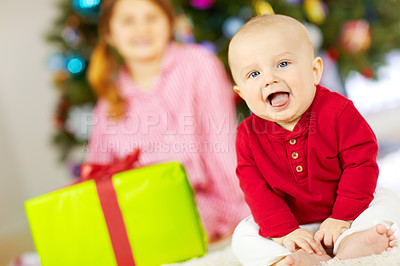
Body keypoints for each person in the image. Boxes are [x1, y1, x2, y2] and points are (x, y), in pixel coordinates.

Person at [228, 14, 400, 266]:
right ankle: (295, 256)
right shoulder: (247, 135)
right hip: (294, 224)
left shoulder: (338, 112)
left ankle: (351, 242)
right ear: (242, 93)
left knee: (388, 204)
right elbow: (256, 189)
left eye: (283, 64)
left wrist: (342, 218)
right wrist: (286, 232)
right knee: (242, 237)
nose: (269, 78)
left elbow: (360, 164)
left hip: (352, 210)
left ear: (314, 71)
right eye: (253, 73)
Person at [85, 0, 250, 243]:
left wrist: (242, 209)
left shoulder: (199, 64)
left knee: (171, 236)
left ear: (169, 23)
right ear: (109, 33)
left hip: (205, 200)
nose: (142, 29)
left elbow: (220, 143)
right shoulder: (110, 97)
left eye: (151, 18)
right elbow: (97, 168)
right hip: (140, 207)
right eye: (128, 21)